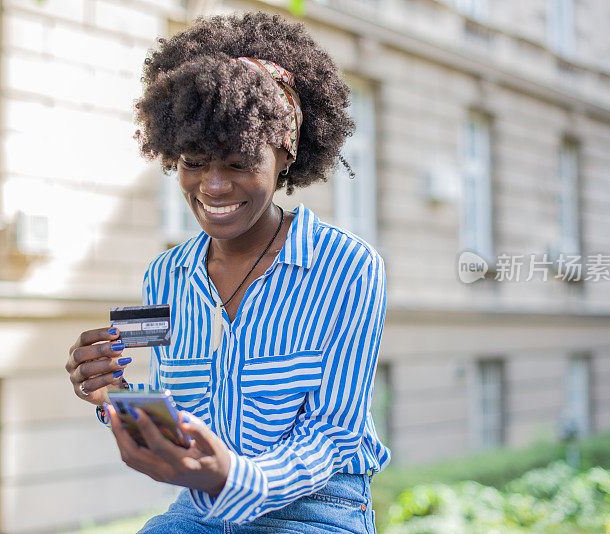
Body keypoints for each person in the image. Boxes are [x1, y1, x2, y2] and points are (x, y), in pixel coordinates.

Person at [65, 11, 390, 533]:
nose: (212, 187)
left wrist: (234, 476)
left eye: (239, 163)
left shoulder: (347, 267)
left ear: (285, 155)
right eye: (194, 162)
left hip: (316, 511)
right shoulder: (166, 277)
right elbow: (175, 414)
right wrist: (115, 397)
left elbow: (333, 436)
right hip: (201, 510)